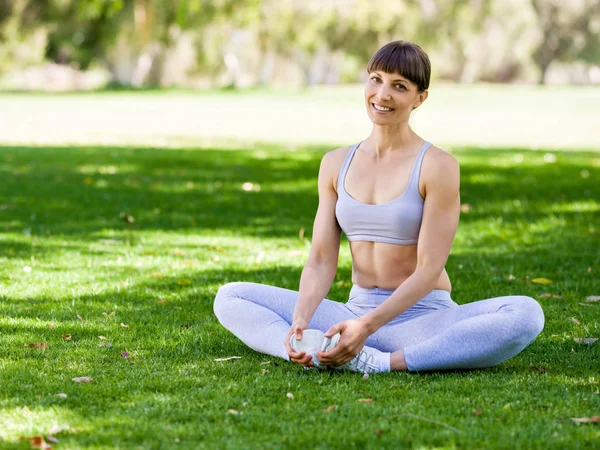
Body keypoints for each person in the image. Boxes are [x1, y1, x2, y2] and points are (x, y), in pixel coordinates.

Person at [213, 40, 544, 374]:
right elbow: (321, 259)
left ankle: (380, 360)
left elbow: (429, 269)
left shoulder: (437, 165)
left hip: (422, 319)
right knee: (230, 296)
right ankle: (305, 350)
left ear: (420, 97)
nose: (382, 95)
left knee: (526, 313)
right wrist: (300, 320)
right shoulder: (335, 163)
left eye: (399, 86)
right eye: (376, 79)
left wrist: (366, 329)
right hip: (355, 310)